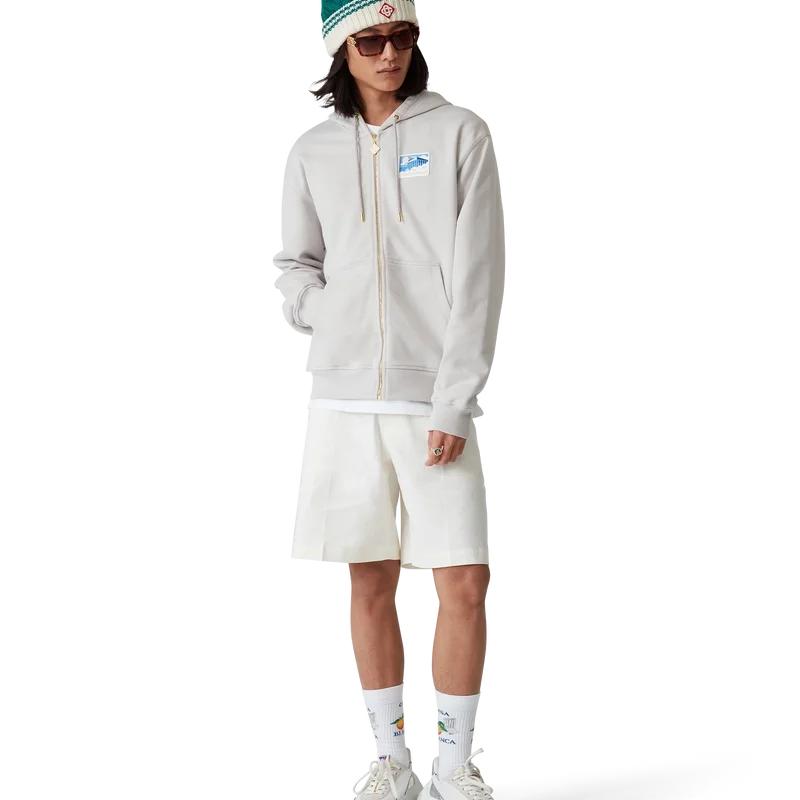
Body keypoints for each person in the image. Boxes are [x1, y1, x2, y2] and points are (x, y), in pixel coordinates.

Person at [276, 1, 505, 796]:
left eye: (401, 37)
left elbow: (480, 279)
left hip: (432, 394)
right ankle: (388, 761)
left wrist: (455, 400)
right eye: (370, 41)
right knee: (369, 579)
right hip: (342, 398)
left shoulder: (462, 132)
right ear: (341, 52)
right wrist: (324, 311)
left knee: (461, 578)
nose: (388, 54)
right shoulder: (311, 147)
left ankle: (455, 762)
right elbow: (294, 260)